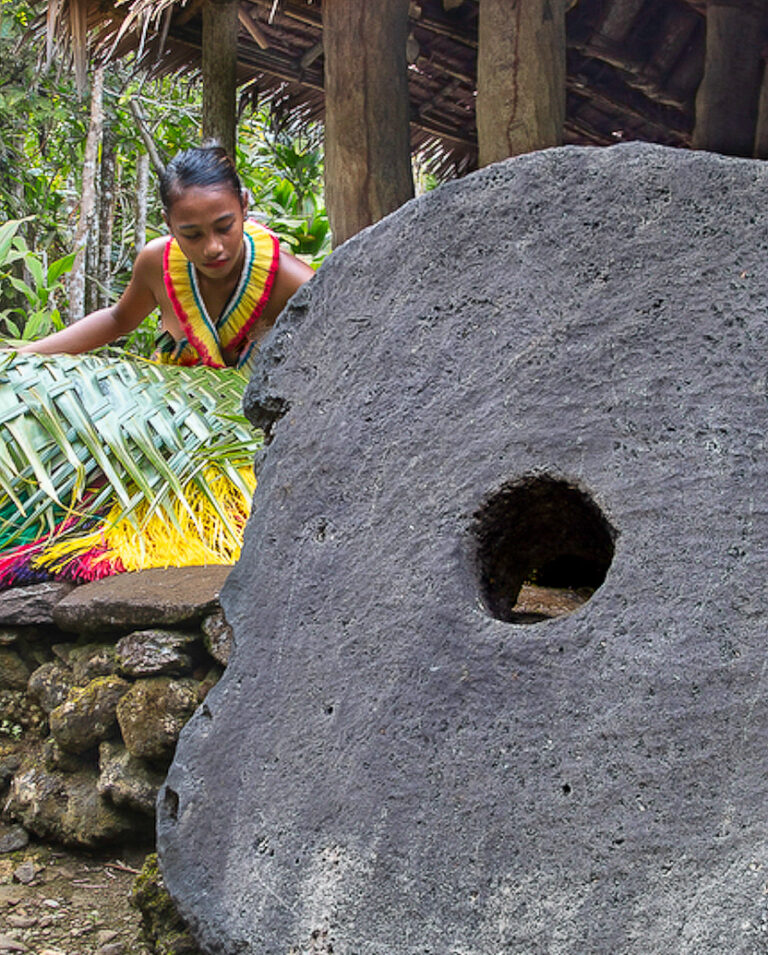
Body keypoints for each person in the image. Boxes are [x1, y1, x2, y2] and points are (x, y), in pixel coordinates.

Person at [19, 143, 314, 368]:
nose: (212, 247)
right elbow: (118, 319)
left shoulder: (293, 283)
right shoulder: (156, 262)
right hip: (164, 428)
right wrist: (23, 356)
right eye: (192, 235)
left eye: (224, 227)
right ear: (168, 223)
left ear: (244, 205)